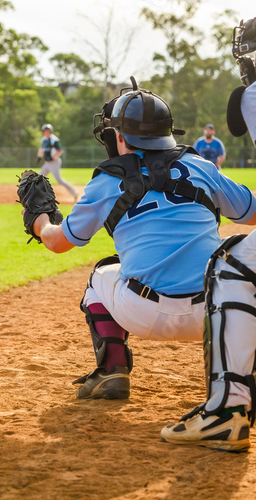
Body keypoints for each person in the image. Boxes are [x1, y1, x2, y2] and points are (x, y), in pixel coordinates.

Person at [25, 78, 256, 429]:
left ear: (118, 137)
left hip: (142, 313)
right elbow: (252, 214)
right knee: (239, 270)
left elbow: (58, 242)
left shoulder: (104, 182)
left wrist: (41, 221)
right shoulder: (203, 167)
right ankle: (236, 379)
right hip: (216, 313)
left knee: (101, 274)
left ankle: (112, 371)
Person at [161, 70, 256, 451]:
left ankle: (227, 411)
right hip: (221, 180)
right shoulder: (202, 147)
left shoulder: (252, 95)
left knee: (229, 262)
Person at [38, 124, 78, 202]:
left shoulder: (54, 140)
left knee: (59, 180)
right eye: (44, 131)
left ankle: (74, 193)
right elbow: (42, 149)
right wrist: (39, 157)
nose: (46, 132)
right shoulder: (43, 140)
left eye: (47, 131)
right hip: (47, 163)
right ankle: (40, 197)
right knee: (39, 178)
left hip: (54, 162)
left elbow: (60, 151)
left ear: (50, 132)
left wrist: (52, 157)